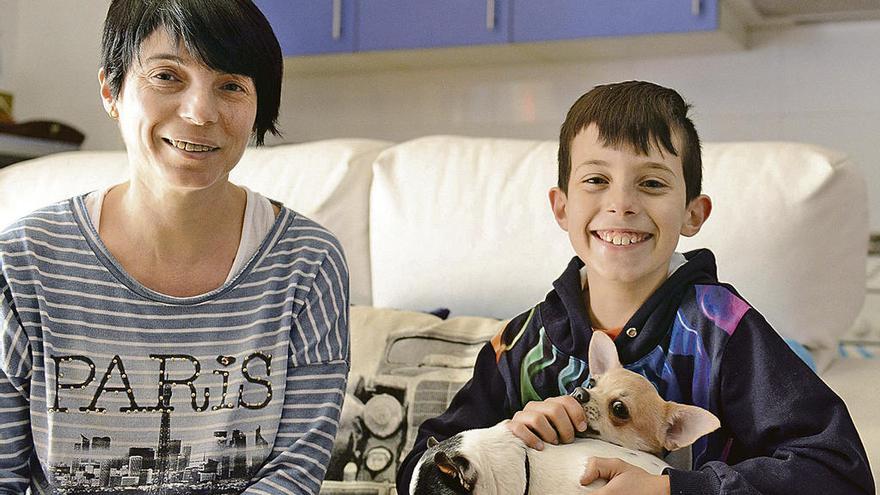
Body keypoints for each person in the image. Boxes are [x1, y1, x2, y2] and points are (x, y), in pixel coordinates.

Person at [396, 81, 874, 494]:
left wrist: (678, 488)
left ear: (693, 213)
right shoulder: (521, 343)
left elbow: (838, 472)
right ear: (561, 207)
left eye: (650, 183)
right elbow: (417, 468)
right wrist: (496, 439)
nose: (621, 203)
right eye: (597, 180)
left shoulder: (726, 332)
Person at [0, 1, 349, 493]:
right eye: (167, 76)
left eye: (231, 85)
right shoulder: (22, 263)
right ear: (111, 90)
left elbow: (293, 474)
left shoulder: (308, 263)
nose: (200, 113)